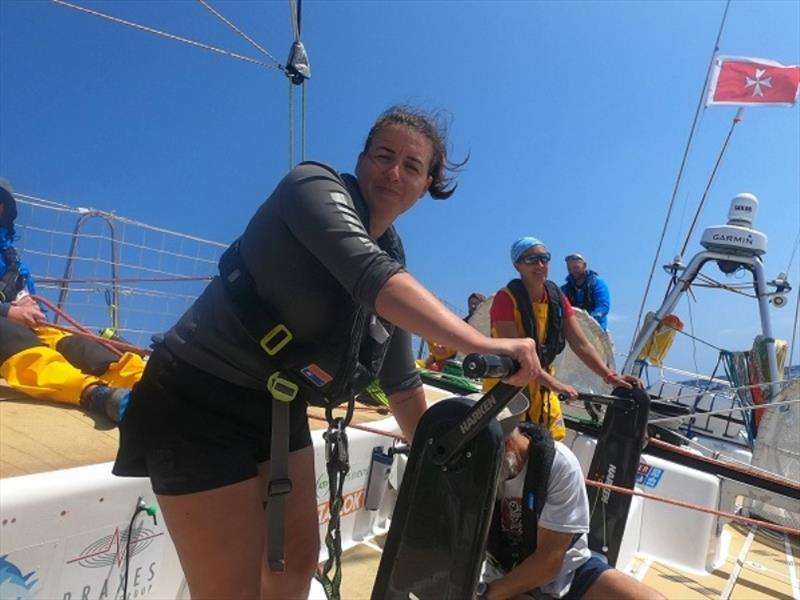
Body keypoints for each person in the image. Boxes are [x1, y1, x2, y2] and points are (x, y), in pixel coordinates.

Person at [112, 106, 541, 600]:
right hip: (196, 400)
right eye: (383, 155)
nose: (394, 171)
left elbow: (403, 387)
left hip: (275, 411)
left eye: (412, 166)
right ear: (360, 160)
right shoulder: (311, 187)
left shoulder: (394, 263)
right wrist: (483, 343)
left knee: (296, 569)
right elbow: (367, 273)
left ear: (426, 186)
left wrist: (445, 461)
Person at [476, 396, 665, 600]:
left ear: (508, 444)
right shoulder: (470, 471)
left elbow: (549, 561)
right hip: (502, 572)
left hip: (568, 571)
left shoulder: (559, 465)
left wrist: (485, 595)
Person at [0, 177, 141, 422]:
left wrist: (32, 310)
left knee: (72, 342)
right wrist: (6, 312)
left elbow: (36, 307)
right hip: (6, 329)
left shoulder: (14, 264)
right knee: (9, 333)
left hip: (23, 325)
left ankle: (144, 381)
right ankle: (92, 393)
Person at [484, 237, 640, 440]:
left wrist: (609, 376)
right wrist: (555, 384)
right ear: (517, 265)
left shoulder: (557, 299)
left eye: (544, 258)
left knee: (551, 443)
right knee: (510, 448)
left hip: (542, 389)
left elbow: (581, 343)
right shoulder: (505, 300)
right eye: (531, 259)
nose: (540, 265)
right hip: (507, 389)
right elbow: (517, 356)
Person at [424, 291, 486, 368]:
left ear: (483, 306)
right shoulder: (461, 323)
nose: (473, 306)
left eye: (476, 303)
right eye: (470, 304)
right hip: (456, 359)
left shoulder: (488, 324)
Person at [561, 254, 611, 331]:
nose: (573, 271)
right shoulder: (564, 289)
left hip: (597, 331)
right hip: (573, 331)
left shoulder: (597, 284)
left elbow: (603, 307)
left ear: (584, 266)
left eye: (576, 267)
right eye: (569, 269)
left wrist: (588, 320)